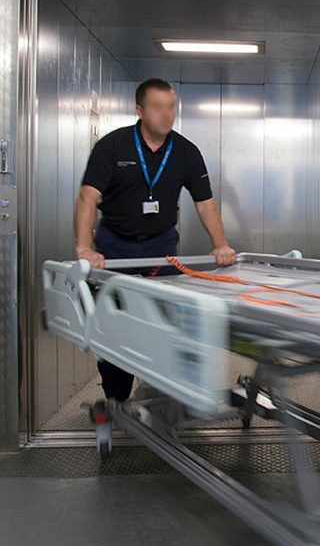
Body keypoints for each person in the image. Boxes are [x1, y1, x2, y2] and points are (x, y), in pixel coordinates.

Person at [74, 77, 237, 404]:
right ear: (140, 110)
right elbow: (87, 197)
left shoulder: (186, 152)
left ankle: (161, 393)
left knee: (166, 323)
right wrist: (84, 248)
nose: (166, 114)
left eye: (171, 107)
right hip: (115, 247)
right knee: (115, 324)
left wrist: (220, 244)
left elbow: (205, 202)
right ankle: (116, 397)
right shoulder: (112, 146)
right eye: (158, 107)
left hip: (160, 248)